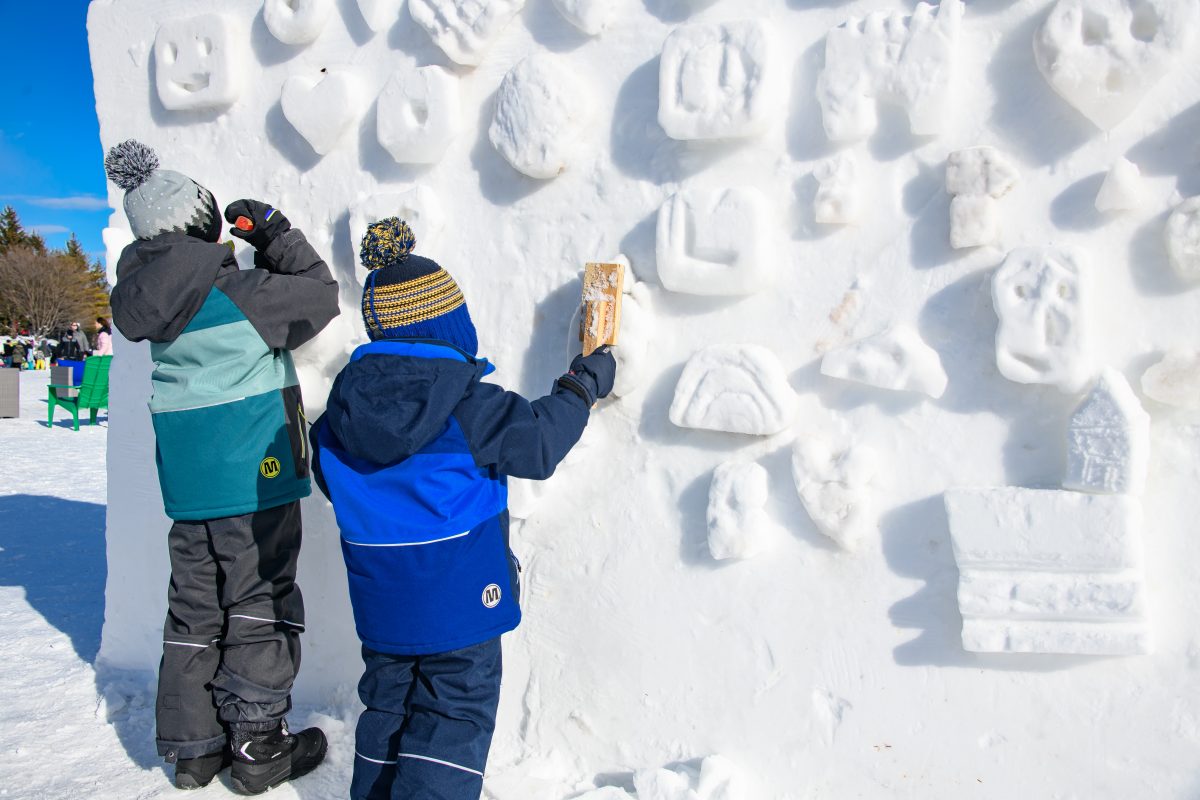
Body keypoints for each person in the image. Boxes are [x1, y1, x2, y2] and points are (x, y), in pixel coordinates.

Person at [310, 218, 617, 800]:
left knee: (388, 711)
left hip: (381, 605)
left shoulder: (340, 411)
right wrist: (582, 383)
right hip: (461, 605)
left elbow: (327, 475)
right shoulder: (467, 403)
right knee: (451, 721)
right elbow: (541, 442)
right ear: (452, 325)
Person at [104, 140, 340, 794]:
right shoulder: (238, 292)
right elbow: (319, 296)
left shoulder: (147, 301)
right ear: (203, 222)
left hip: (188, 482)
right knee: (259, 601)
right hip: (252, 475)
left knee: (195, 606)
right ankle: (259, 745)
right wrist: (273, 233)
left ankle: (194, 749)